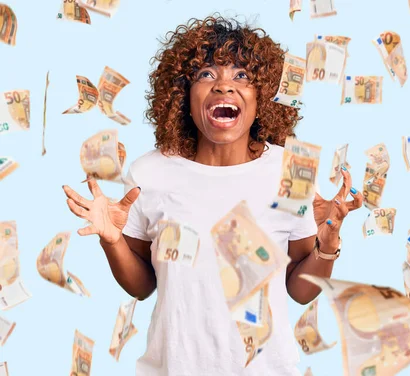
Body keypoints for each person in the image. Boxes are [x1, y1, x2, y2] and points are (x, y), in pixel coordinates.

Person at [62, 15, 363, 376]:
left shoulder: (290, 168)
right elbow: (142, 286)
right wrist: (112, 242)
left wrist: (327, 244)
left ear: (262, 97)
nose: (224, 87)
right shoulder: (150, 172)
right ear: (183, 96)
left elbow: (299, 290)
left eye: (242, 76)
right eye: (206, 75)